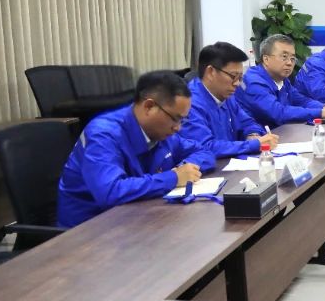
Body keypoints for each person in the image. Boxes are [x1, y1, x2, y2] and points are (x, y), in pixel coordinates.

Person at [57, 71, 216, 228]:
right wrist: (173, 177)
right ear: (149, 106)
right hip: (88, 229)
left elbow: (204, 152)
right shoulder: (103, 134)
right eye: (175, 118)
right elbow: (111, 192)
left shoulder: (162, 132)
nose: (178, 127)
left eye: (183, 120)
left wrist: (186, 169)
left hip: (137, 217)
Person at [183, 42, 280, 159]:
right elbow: (204, 147)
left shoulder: (226, 94)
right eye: (234, 76)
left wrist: (253, 135)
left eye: (240, 78)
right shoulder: (189, 103)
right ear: (210, 72)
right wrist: (253, 145)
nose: (237, 83)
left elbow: (247, 122)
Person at [238, 34, 325, 128]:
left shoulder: (282, 79)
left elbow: (301, 100)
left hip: (279, 132)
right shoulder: (254, 82)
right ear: (266, 59)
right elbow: (278, 113)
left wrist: (324, 108)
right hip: (258, 137)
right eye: (284, 57)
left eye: (292, 58)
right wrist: (320, 112)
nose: (289, 63)